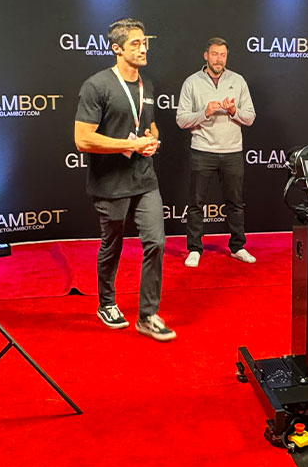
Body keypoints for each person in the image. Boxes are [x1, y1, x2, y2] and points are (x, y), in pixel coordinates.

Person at [74, 17, 176, 342]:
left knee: (156, 243)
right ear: (117, 49)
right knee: (112, 244)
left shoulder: (147, 85)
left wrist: (152, 139)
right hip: (110, 182)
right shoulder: (97, 86)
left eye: (145, 43)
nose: (143, 49)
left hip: (145, 179)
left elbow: (150, 125)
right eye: (135, 44)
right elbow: (82, 139)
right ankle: (106, 303)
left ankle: (147, 315)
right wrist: (128, 145)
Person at [176, 37, 257, 266]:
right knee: (196, 204)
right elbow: (181, 120)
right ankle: (194, 249)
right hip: (202, 150)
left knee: (236, 203)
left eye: (222, 55)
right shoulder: (192, 82)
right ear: (206, 56)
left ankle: (238, 247)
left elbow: (250, 117)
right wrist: (205, 112)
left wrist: (233, 111)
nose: (218, 59)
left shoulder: (238, 81)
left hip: (232, 152)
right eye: (214, 54)